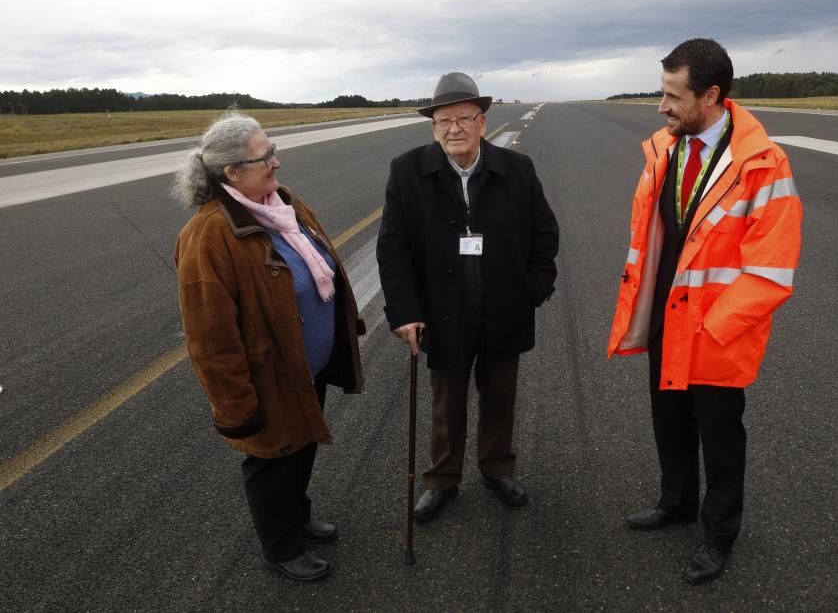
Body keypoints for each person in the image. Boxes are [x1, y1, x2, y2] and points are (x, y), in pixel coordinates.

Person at [607, 39, 802, 585]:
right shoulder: (665, 148)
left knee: (719, 436)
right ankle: (676, 502)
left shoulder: (764, 164)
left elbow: (772, 268)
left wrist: (713, 328)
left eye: (673, 96)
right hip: (670, 317)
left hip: (717, 330)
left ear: (711, 95)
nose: (661, 107)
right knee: (667, 422)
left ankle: (719, 533)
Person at [172, 111, 365, 582]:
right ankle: (280, 547)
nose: (276, 164)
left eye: (273, 150)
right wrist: (237, 406)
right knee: (271, 460)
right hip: (265, 373)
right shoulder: (208, 235)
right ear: (231, 173)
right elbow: (210, 339)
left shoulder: (281, 205)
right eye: (265, 157)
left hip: (303, 364)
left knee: (302, 447)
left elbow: (320, 263)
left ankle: (296, 519)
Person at [376, 72, 559, 523]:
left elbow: (544, 233)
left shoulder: (517, 169)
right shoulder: (408, 170)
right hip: (442, 313)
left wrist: (532, 290)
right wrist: (405, 312)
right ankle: (442, 480)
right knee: (446, 403)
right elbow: (392, 248)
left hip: (503, 308)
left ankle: (497, 469)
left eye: (464, 118)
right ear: (432, 126)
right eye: (443, 121)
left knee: (500, 397)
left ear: (482, 121)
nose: (454, 128)